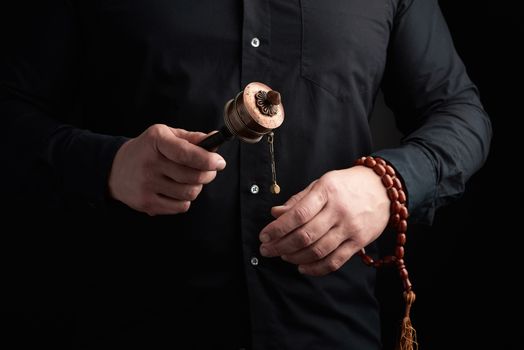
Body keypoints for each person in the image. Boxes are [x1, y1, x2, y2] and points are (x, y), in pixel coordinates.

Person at [0, 0, 491, 349]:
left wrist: (388, 184)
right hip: (135, 322)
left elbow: (461, 113)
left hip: (328, 330)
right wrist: (108, 166)